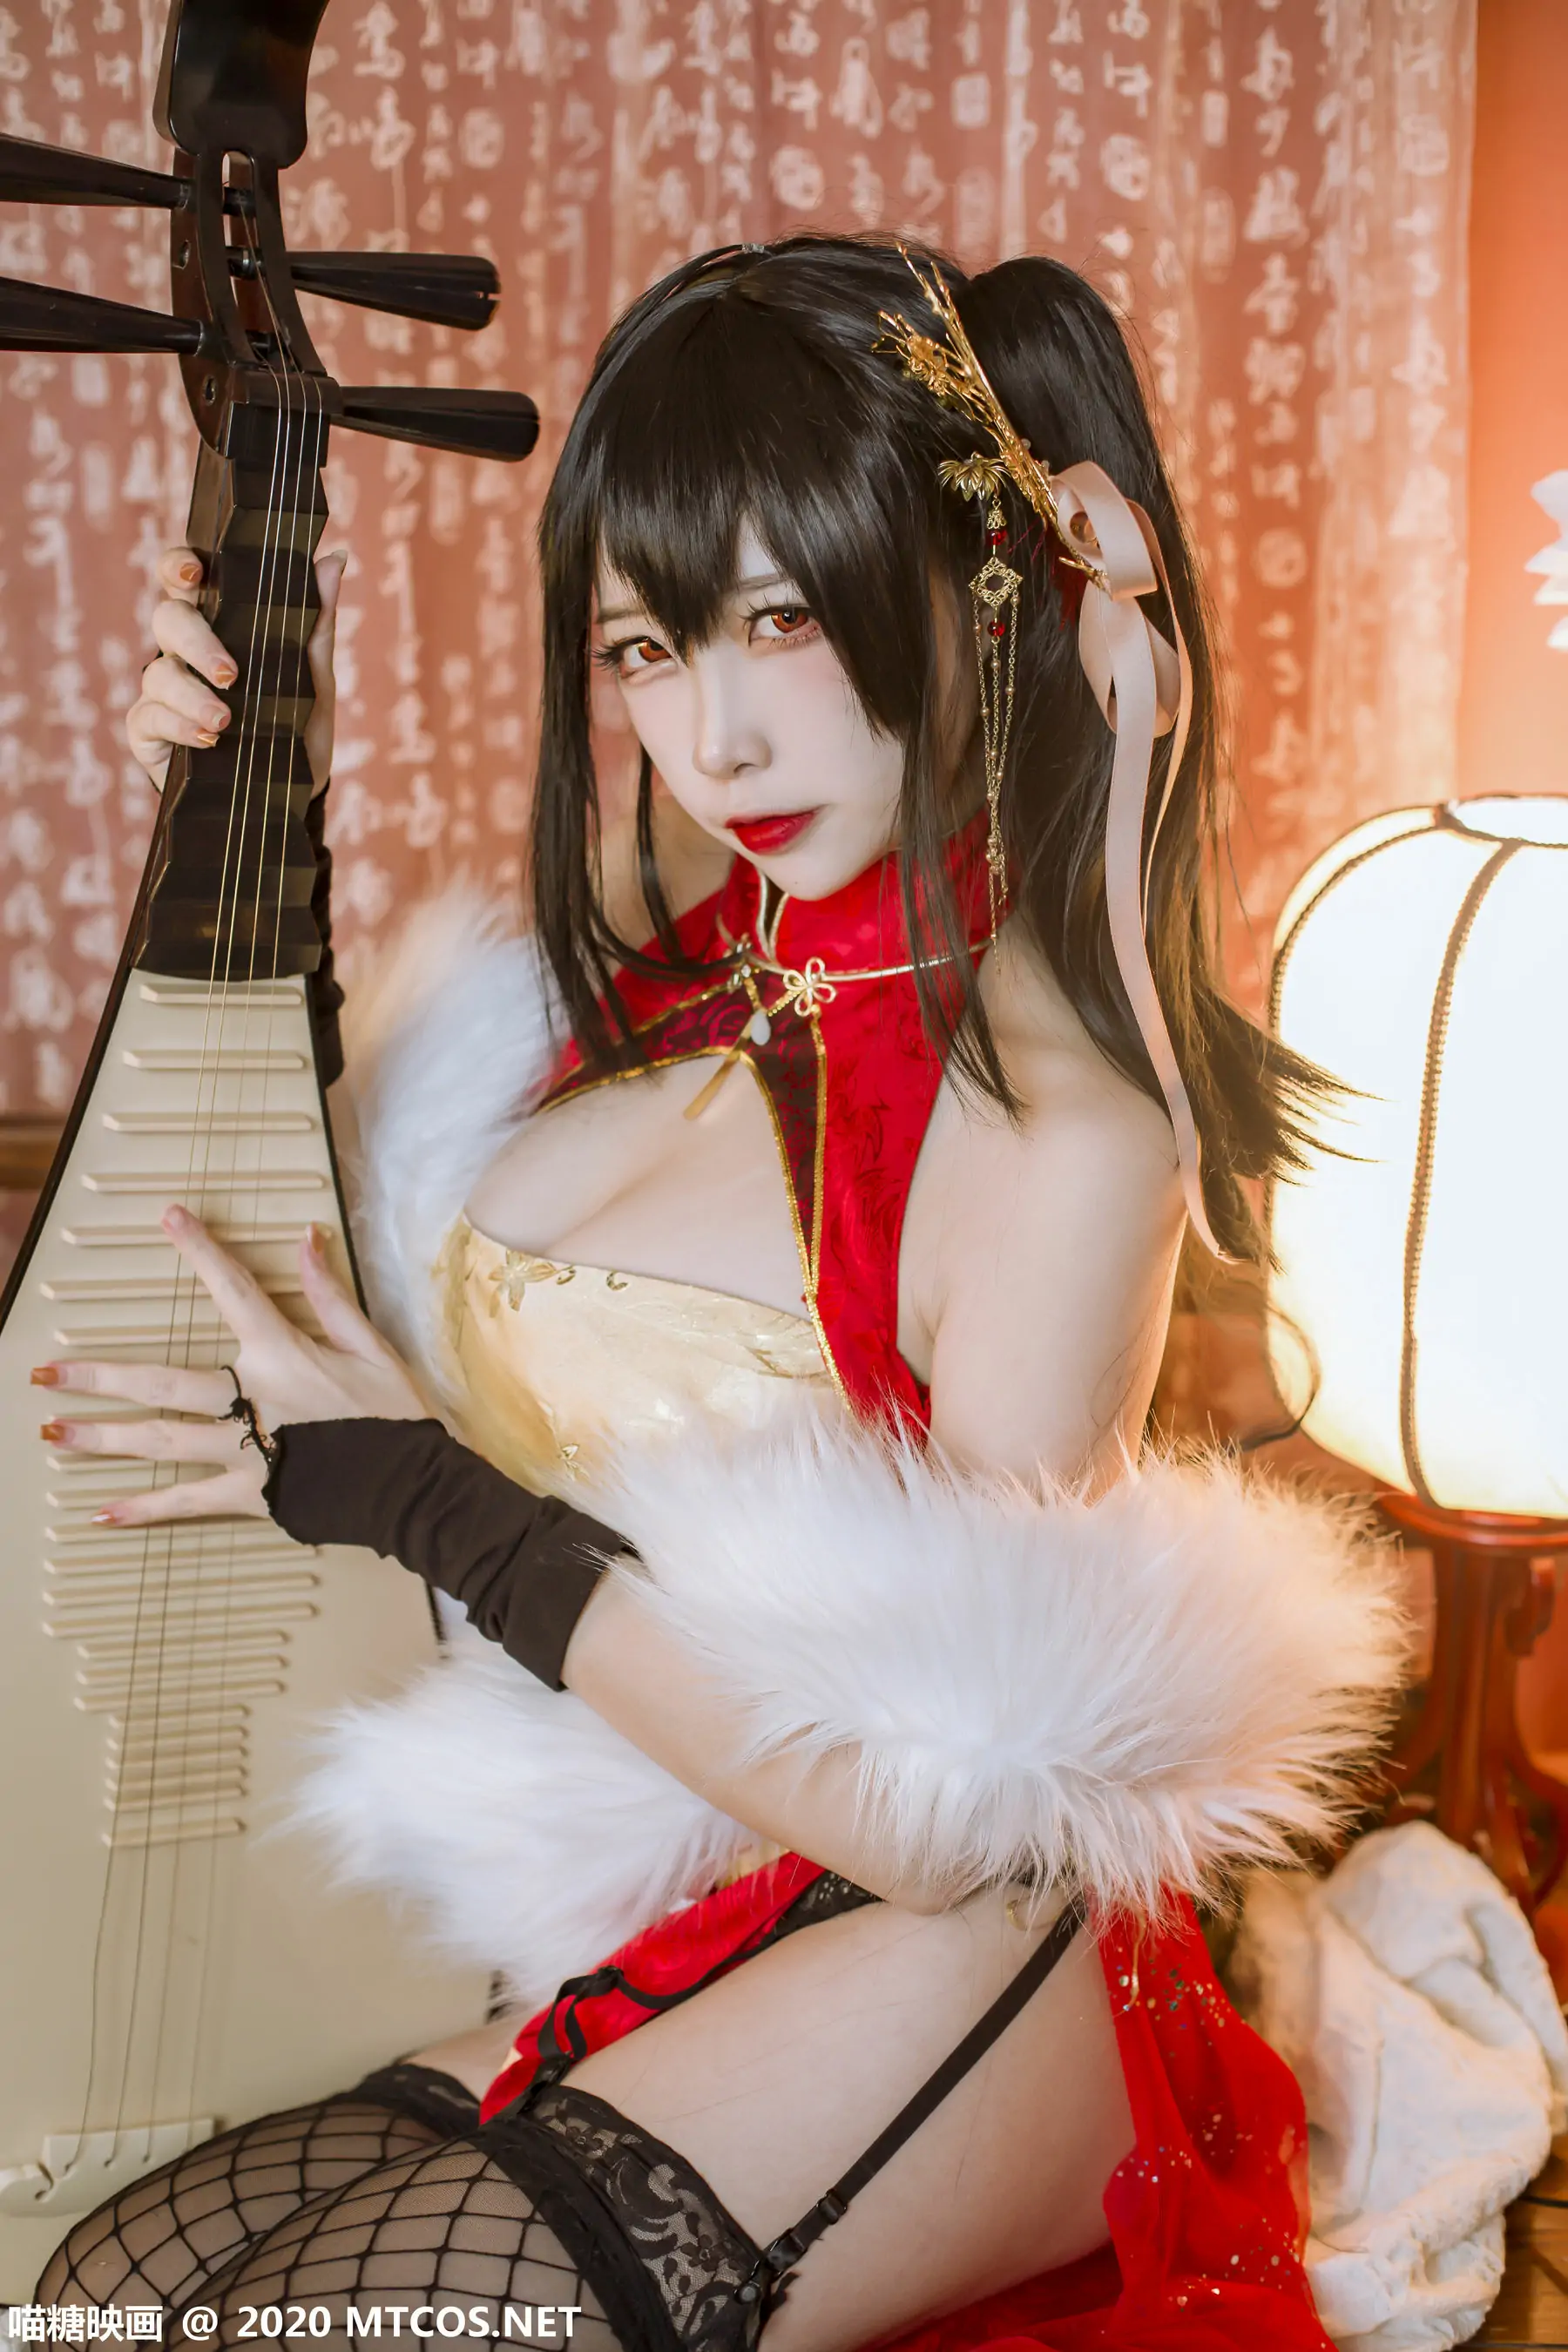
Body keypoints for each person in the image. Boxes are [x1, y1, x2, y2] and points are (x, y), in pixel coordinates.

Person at [34, 238, 1402, 2351]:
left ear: (983, 590)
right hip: (641, 1897)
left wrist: (426, 1500)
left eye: (785, 618)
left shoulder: (1063, 1130)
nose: (719, 732)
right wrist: (224, 803)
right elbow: (374, 1265)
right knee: (103, 2291)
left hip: (942, 1947)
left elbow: (946, 1811)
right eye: (647, 647)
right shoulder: (683, 933)